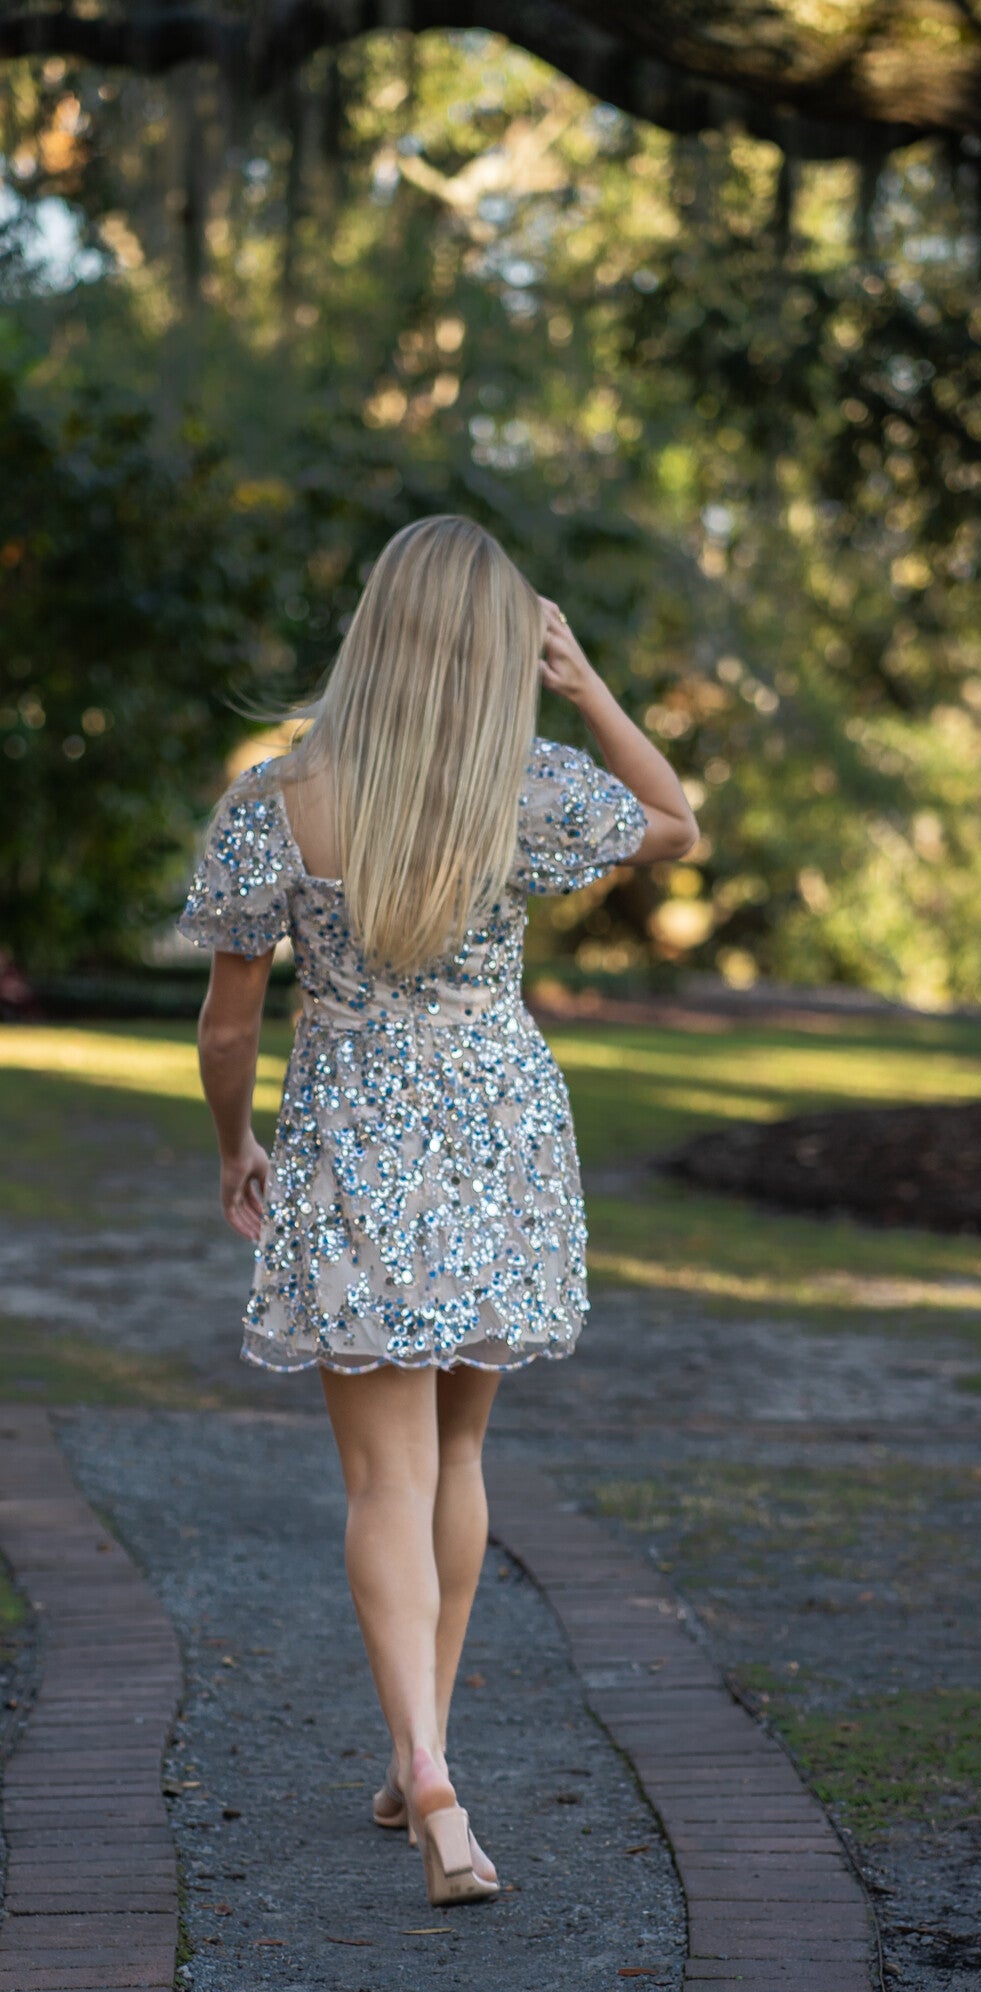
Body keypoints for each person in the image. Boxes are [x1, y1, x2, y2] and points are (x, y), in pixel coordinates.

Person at [177, 514, 698, 1907]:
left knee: (382, 1480)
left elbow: (230, 1030)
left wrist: (236, 1148)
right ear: (494, 647)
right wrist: (586, 684)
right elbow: (677, 824)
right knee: (458, 1464)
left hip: (351, 1134)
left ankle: (433, 1778)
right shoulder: (521, 791)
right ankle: (424, 1762)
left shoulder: (274, 802)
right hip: (496, 1135)